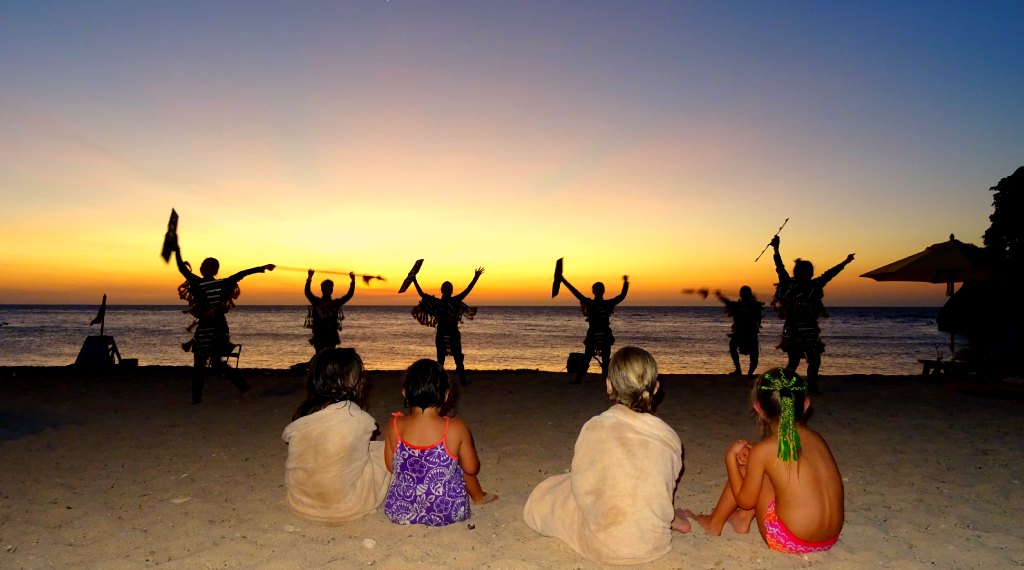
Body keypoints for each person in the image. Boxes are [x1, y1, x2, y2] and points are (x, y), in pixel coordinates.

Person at [523, 347, 687, 565]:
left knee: (549, 494)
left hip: (603, 547)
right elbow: (664, 484)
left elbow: (582, 490)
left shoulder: (595, 428)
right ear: (655, 388)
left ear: (609, 385)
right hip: (655, 545)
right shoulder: (669, 436)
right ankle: (667, 519)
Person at [681, 368, 844, 554]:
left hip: (789, 540)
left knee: (750, 467)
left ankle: (714, 523)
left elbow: (746, 500)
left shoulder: (765, 450)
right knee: (760, 465)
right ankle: (741, 519)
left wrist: (730, 460)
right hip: (829, 539)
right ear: (806, 405)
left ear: (759, 409)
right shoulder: (817, 439)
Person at [282, 348, 391, 524]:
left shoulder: (303, 412)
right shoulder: (358, 418)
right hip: (346, 508)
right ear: (349, 380)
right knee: (387, 449)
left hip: (300, 504)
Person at [383, 359, 497, 526]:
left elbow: (391, 467)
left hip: (400, 510)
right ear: (445, 394)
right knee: (457, 464)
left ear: (405, 392)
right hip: (449, 511)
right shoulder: (455, 427)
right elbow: (472, 468)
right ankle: (479, 497)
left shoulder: (394, 425)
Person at [174, 241, 274, 404]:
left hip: (217, 329)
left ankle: (242, 388)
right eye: (202, 265)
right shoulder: (197, 282)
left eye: (205, 265)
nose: (201, 267)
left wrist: (261, 268)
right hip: (205, 328)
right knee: (202, 364)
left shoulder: (218, 283)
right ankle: (197, 400)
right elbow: (181, 267)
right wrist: (176, 250)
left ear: (213, 270)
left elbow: (241, 274)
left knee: (214, 363)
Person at [770, 236, 854, 393]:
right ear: (799, 272)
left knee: (815, 360)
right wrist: (776, 249)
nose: (809, 274)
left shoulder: (814, 285)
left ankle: (813, 387)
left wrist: (845, 262)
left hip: (810, 329)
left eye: (810, 271)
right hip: (794, 328)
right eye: (806, 271)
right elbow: (780, 268)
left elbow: (829, 274)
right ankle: (785, 387)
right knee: (794, 361)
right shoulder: (790, 285)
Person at [408, 267, 484, 386]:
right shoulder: (454, 301)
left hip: (442, 332)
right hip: (452, 333)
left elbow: (422, 294)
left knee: (441, 360)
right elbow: (467, 290)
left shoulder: (437, 303)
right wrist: (476, 277)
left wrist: (414, 280)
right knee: (458, 358)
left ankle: (440, 383)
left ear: (441, 290)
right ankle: (463, 381)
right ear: (451, 291)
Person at [559, 273, 629, 383]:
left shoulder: (589, 303)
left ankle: (578, 381)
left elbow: (574, 291)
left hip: (593, 335)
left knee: (587, 359)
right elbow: (622, 295)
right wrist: (626, 282)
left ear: (593, 291)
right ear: (603, 291)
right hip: (605, 335)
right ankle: (606, 382)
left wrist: (563, 280)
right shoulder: (608, 304)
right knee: (605, 361)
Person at [304, 269, 356, 355]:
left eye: (330, 287)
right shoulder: (318, 302)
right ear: (322, 289)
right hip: (320, 336)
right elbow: (307, 292)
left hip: (330, 336)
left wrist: (353, 281)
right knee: (322, 357)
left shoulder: (334, 303)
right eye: (327, 287)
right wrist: (309, 277)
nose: (328, 289)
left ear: (332, 289)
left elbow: (349, 295)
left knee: (328, 357)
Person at [716, 286, 765, 376]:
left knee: (754, 354)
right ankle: (739, 370)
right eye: (743, 293)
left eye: (745, 293)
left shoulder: (754, 306)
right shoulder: (738, 305)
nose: (744, 295)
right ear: (740, 294)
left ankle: (749, 373)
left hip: (750, 333)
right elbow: (728, 303)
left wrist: (754, 328)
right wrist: (720, 296)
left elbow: (758, 320)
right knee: (733, 346)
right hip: (739, 332)